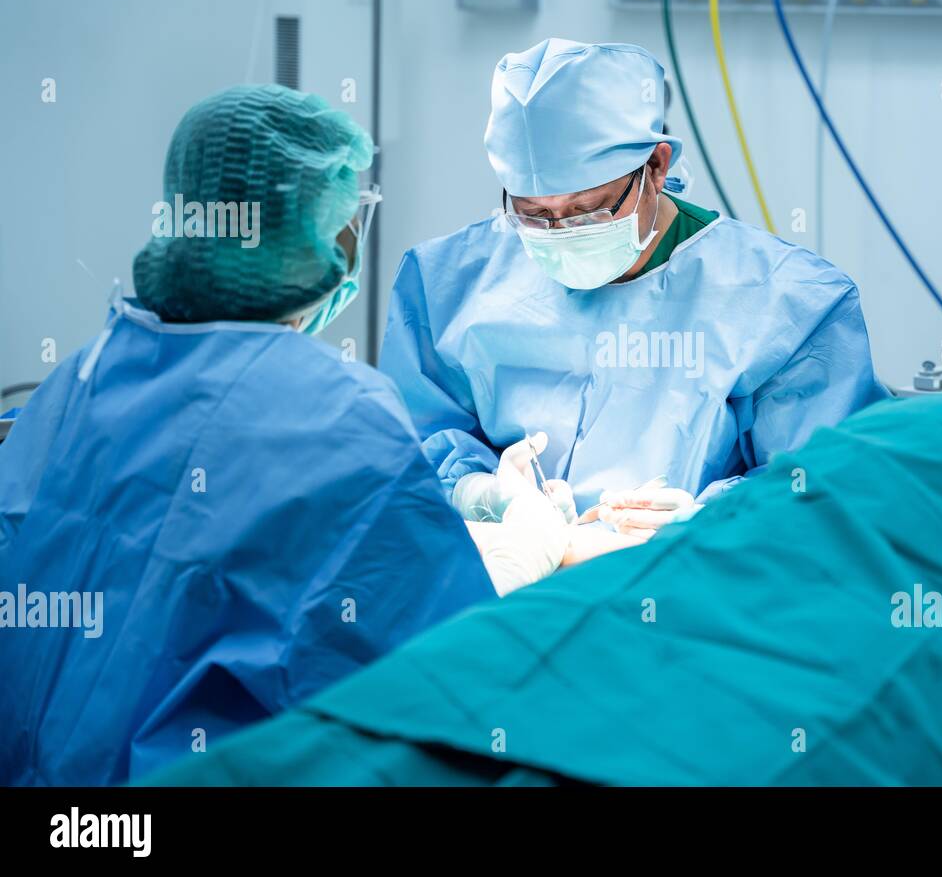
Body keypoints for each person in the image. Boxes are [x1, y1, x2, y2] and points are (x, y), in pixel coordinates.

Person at [0, 84, 600, 786]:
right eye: (351, 216)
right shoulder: (334, 410)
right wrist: (520, 552)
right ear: (321, 236)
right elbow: (431, 663)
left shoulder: (79, 380)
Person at [382, 38, 891, 539]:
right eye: (534, 214)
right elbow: (409, 447)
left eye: (588, 210)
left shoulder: (788, 302)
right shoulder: (448, 280)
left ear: (655, 167)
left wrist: (714, 521)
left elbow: (826, 490)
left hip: (687, 595)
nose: (561, 234)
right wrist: (478, 492)